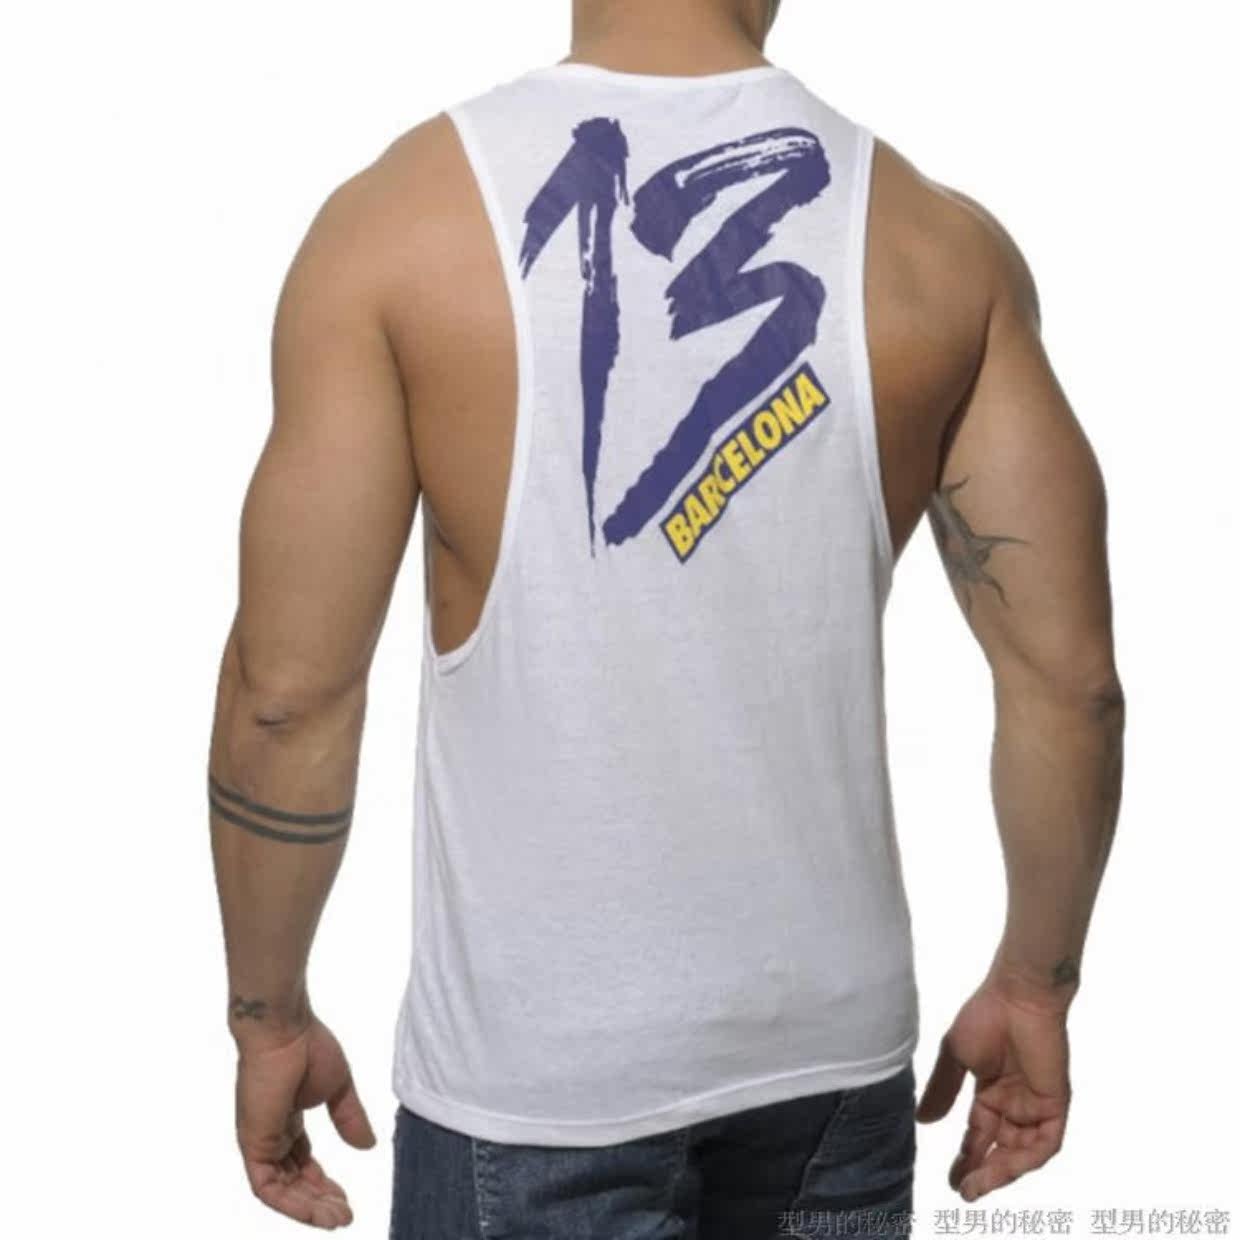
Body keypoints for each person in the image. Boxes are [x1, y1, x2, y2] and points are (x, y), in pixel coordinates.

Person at [206, 0, 1125, 1234]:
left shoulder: (393, 226)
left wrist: (266, 1016)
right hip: (832, 1061)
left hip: (540, 1081)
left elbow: (287, 694)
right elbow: (1071, 686)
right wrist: (1036, 983)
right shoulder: (940, 247)